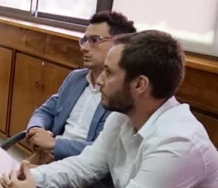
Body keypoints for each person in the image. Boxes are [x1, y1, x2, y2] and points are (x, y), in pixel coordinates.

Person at [0, 30, 218, 188]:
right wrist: (28, 178)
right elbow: (84, 166)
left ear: (139, 85)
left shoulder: (179, 142)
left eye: (108, 72)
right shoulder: (122, 117)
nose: (99, 81)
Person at [25, 11, 136, 165]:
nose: (84, 47)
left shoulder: (121, 93)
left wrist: (55, 144)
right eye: (84, 40)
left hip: (83, 167)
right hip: (47, 157)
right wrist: (36, 129)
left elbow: (105, 151)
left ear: (118, 46)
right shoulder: (76, 78)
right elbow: (45, 111)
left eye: (94, 40)